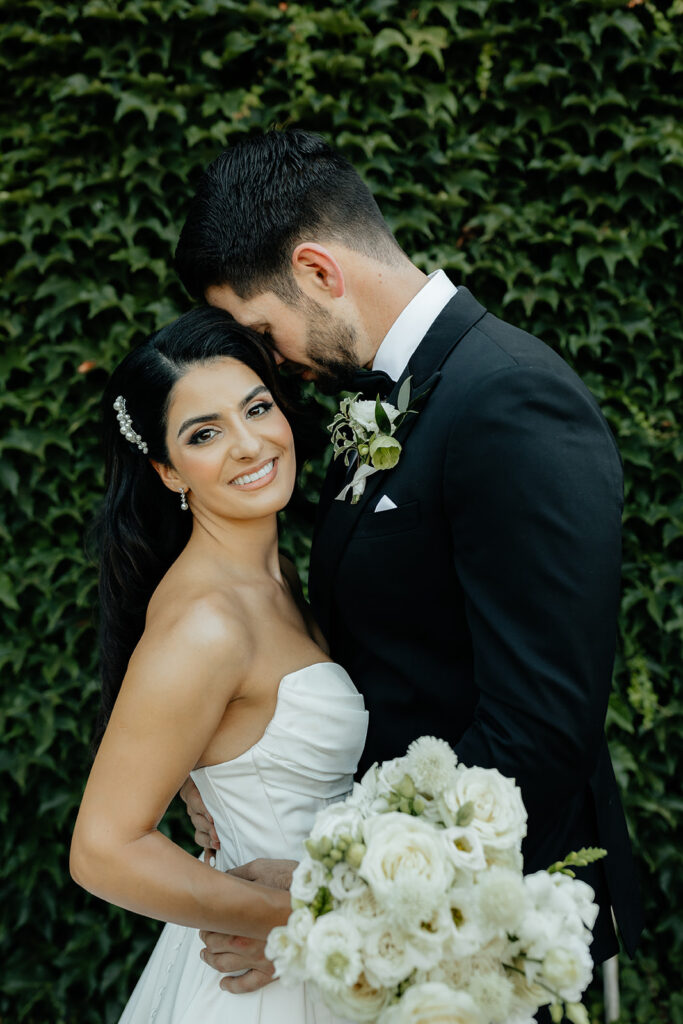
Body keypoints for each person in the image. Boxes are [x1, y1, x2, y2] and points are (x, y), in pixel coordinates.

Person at [173, 129, 643, 1009]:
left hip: (482, 936)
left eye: (261, 331)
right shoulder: (390, 396)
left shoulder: (509, 400)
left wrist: (329, 898)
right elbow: (380, 654)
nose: (272, 362)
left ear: (317, 271)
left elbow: (537, 732)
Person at [70, 306, 368, 1023]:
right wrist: (292, 916)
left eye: (255, 408)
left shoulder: (279, 576)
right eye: (204, 434)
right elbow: (103, 850)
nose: (246, 444)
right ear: (169, 469)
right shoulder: (206, 623)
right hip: (270, 982)